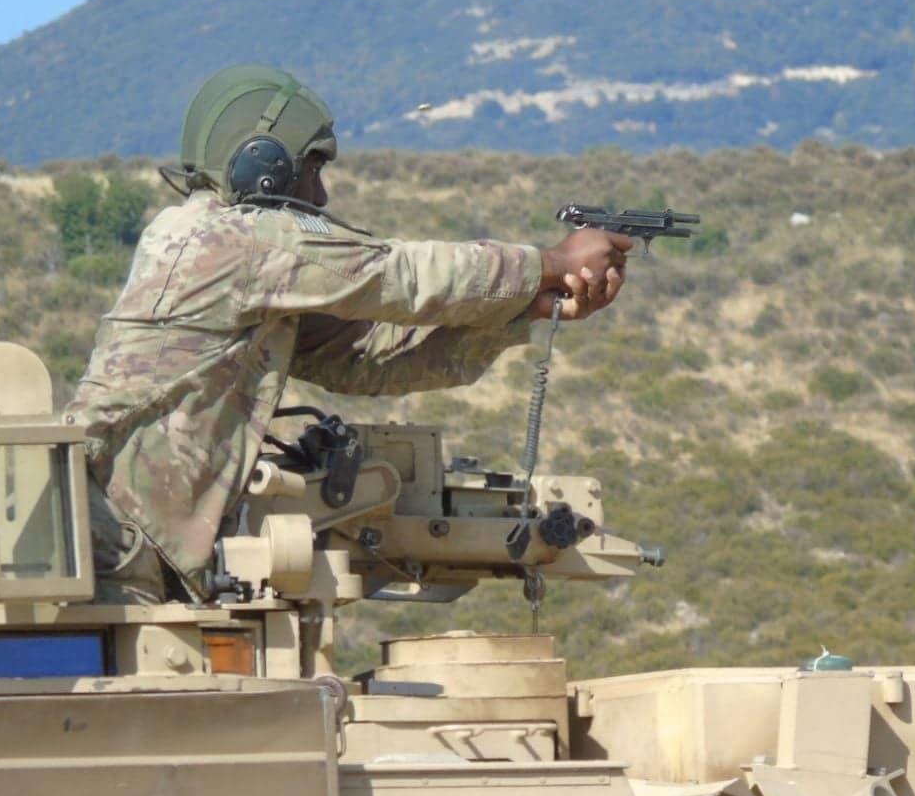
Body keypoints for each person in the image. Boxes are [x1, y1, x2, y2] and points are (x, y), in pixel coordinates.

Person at [66, 63, 632, 604]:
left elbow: (365, 358)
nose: (319, 197)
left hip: (130, 536)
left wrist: (527, 312)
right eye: (311, 169)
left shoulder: (229, 256)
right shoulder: (231, 242)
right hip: (117, 534)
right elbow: (398, 276)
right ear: (261, 164)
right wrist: (551, 264)